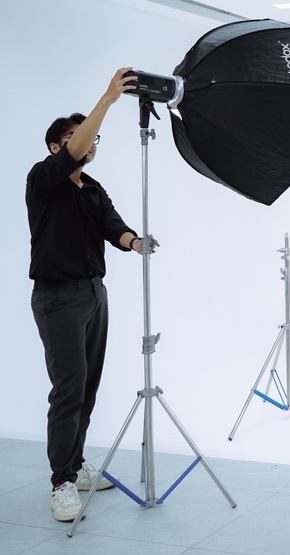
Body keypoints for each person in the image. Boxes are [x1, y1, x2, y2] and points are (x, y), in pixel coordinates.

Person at [26, 68, 147, 522]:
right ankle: (61, 482)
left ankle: (75, 467)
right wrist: (109, 97)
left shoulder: (92, 189)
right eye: (77, 138)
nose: (89, 144)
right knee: (69, 389)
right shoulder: (43, 179)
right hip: (58, 299)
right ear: (56, 147)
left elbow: (113, 227)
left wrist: (135, 242)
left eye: (93, 138)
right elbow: (74, 151)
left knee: (87, 387)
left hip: (95, 294)